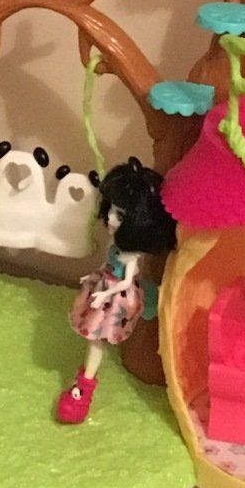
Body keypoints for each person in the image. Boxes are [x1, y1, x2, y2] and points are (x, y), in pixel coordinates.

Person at [54, 157, 177, 424]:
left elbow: (126, 282)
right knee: (92, 335)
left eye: (119, 215)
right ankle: (85, 379)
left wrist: (105, 294)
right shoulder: (118, 248)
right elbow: (108, 265)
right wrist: (94, 277)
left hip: (117, 297)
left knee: (96, 338)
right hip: (103, 286)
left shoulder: (130, 255)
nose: (110, 218)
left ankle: (85, 385)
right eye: (111, 210)